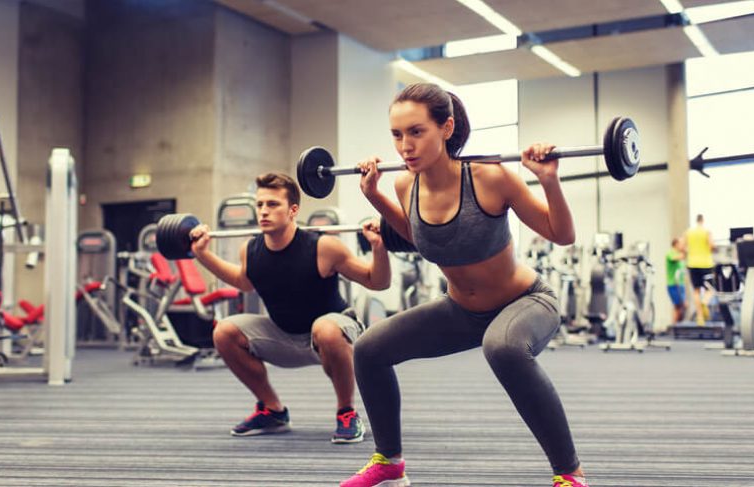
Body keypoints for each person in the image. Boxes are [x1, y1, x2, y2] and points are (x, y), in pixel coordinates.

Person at [340, 83, 587, 487]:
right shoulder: (406, 184)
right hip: (461, 310)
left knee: (503, 347)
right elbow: (421, 240)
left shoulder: (490, 177)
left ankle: (569, 474)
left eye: (417, 132)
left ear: (447, 128)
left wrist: (548, 180)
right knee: (368, 349)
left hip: (524, 302)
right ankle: (389, 461)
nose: (405, 146)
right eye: (397, 135)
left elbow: (562, 234)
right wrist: (373, 195)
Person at [189, 172, 391, 444]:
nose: (263, 211)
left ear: (293, 210)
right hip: (284, 335)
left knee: (326, 328)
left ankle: (347, 412)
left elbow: (377, 282)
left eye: (273, 204)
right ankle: (272, 410)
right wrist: (202, 254)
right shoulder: (251, 249)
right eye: (260, 205)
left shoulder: (323, 247)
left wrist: (379, 247)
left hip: (332, 334)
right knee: (224, 331)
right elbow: (243, 282)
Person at [681, 214, 715, 326]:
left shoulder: (688, 232)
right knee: (710, 289)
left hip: (692, 263)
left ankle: (700, 317)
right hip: (706, 263)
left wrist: (690, 252)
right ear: (703, 220)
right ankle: (704, 301)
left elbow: (682, 247)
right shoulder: (707, 231)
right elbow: (711, 245)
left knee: (696, 291)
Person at [666, 237, 687, 325]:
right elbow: (676, 258)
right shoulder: (671, 253)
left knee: (683, 306)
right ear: (676, 244)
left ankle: (679, 324)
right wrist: (686, 251)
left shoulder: (680, 255)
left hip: (681, 284)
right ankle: (674, 326)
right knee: (678, 306)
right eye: (681, 244)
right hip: (673, 284)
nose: (683, 246)